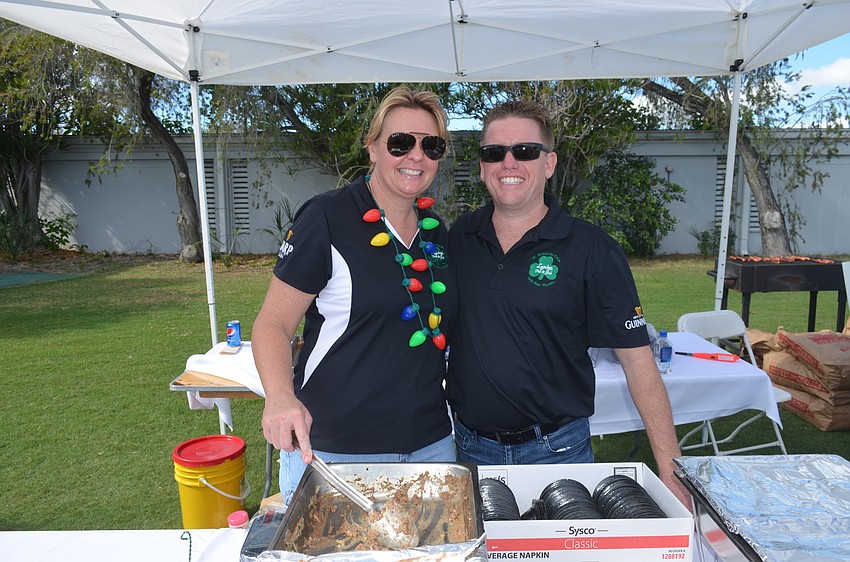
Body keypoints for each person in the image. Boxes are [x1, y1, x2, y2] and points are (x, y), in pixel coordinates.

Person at [445, 99, 689, 506]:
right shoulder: (458, 239)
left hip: (557, 453)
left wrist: (670, 466)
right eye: (494, 153)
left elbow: (638, 361)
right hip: (472, 450)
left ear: (549, 163)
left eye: (524, 151)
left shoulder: (593, 250)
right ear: (483, 165)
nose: (509, 163)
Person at [253, 86, 457, 504]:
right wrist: (279, 397)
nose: (415, 156)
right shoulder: (326, 217)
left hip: (431, 446)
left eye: (431, 146)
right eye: (401, 143)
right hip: (336, 452)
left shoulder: (437, 233)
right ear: (373, 148)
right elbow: (272, 324)